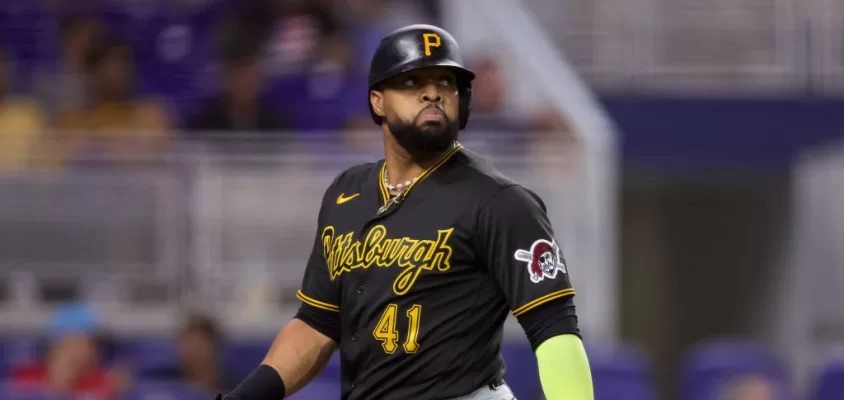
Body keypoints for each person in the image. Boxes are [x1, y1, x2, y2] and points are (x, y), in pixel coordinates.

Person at [217, 24, 594, 400]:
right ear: (378, 101)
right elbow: (318, 325)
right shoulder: (345, 193)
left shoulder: (500, 201)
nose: (433, 92)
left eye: (446, 82)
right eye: (413, 82)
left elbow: (554, 328)